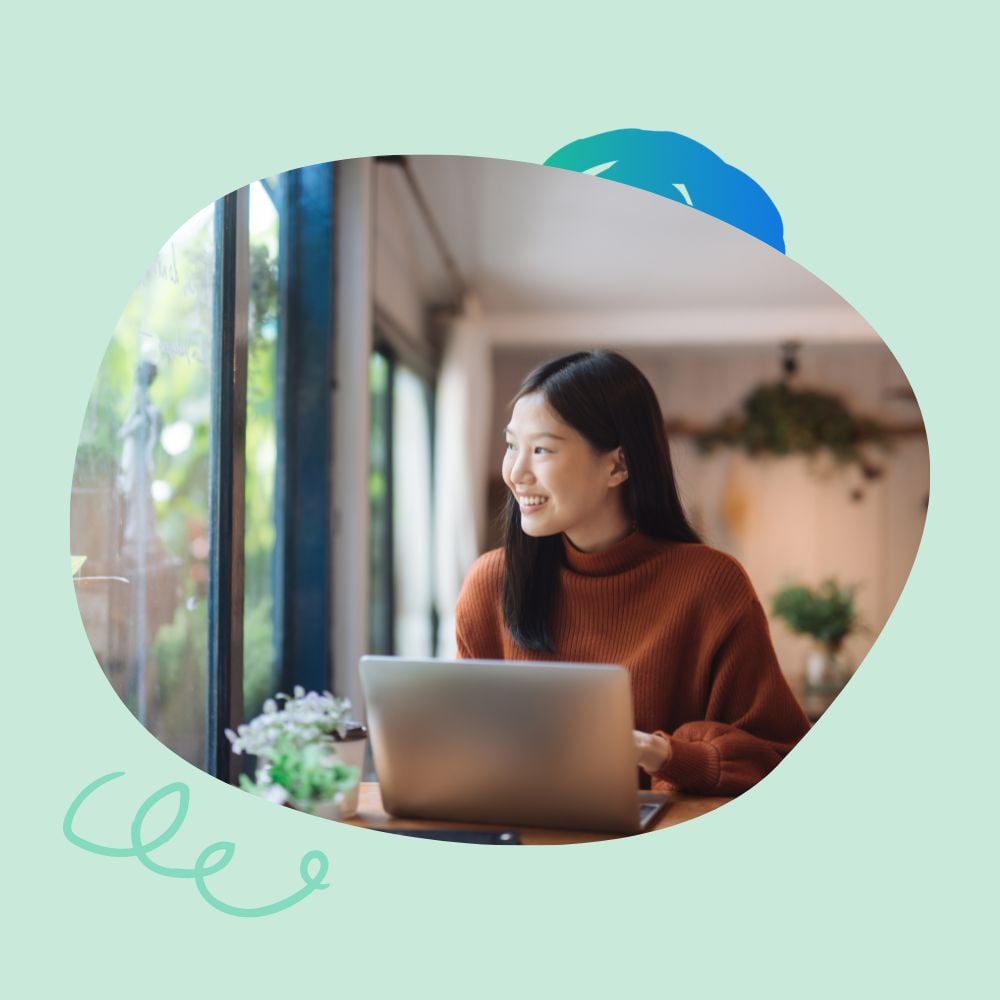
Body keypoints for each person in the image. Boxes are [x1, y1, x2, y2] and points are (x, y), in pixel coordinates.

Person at [455, 350, 810, 797]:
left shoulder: (711, 586)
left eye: (541, 449)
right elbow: (473, 750)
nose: (516, 472)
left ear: (617, 465)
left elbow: (781, 758)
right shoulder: (491, 584)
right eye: (511, 446)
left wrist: (666, 756)